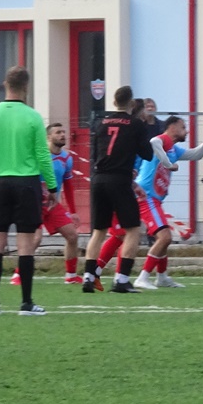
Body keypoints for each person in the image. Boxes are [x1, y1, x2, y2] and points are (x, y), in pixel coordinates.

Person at [0, 64, 57, 315]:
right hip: (26, 183)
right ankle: (26, 303)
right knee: (25, 243)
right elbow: (42, 155)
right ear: (26, 87)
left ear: (5, 85)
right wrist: (52, 186)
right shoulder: (33, 117)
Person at [83, 86, 160, 293]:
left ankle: (88, 277)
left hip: (99, 179)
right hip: (119, 180)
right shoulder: (135, 124)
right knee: (133, 230)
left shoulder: (100, 123)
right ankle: (121, 279)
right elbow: (147, 154)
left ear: (114, 102)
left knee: (99, 231)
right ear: (131, 103)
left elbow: (95, 155)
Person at [132, 114, 203, 289]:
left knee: (163, 238)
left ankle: (162, 277)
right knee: (164, 237)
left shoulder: (173, 149)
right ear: (172, 127)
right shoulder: (163, 140)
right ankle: (142, 277)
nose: (186, 131)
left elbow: (197, 153)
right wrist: (167, 163)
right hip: (146, 196)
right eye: (183, 127)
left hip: (154, 199)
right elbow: (154, 142)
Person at [12, 122, 83, 287]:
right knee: (36, 239)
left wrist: (73, 211)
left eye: (63, 132)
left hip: (52, 204)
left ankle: (71, 275)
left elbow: (68, 186)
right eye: (58, 132)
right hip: (34, 203)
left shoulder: (67, 158)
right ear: (48, 137)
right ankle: (19, 273)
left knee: (72, 236)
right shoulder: (38, 155)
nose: (62, 135)